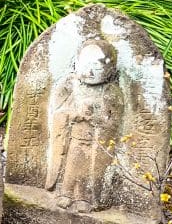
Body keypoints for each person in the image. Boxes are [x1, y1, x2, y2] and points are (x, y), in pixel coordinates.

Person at [46, 39, 123, 212]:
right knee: (73, 165)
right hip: (75, 138)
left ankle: (83, 197)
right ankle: (65, 193)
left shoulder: (111, 92)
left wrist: (97, 120)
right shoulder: (70, 85)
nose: (89, 72)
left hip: (96, 142)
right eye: (85, 65)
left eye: (96, 68)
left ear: (110, 70)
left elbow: (113, 122)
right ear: (76, 63)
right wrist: (74, 115)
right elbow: (58, 113)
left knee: (90, 170)